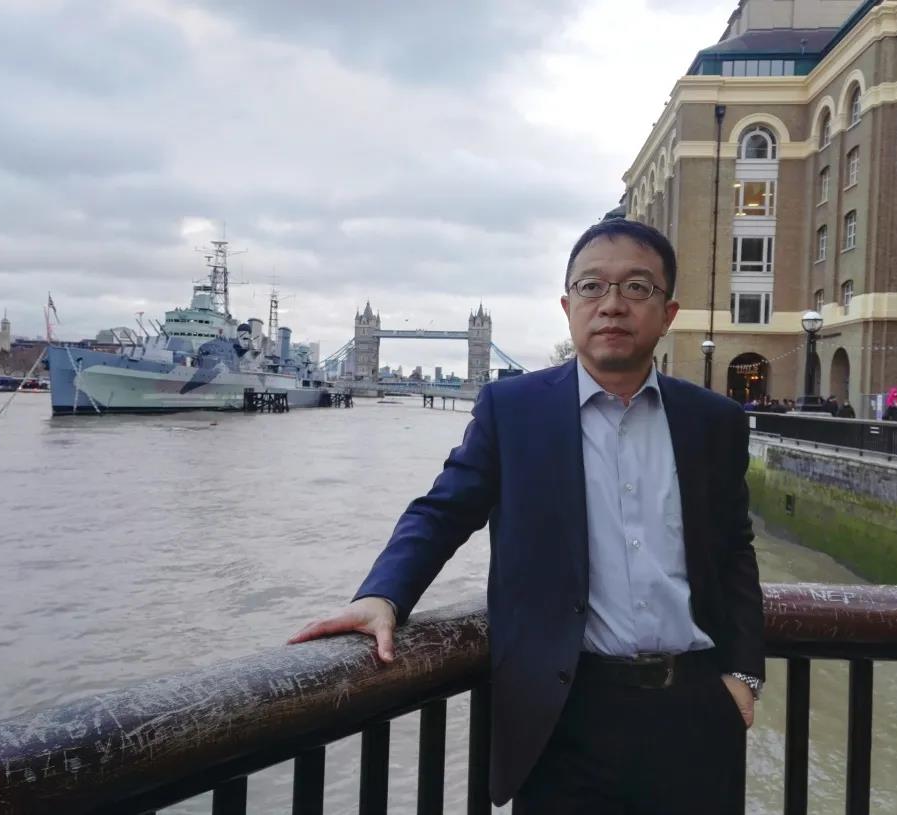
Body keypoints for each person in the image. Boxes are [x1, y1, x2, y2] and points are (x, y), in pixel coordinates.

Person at [289, 218, 764, 813]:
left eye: (637, 287)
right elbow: (443, 511)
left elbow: (734, 549)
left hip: (695, 713)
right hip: (561, 719)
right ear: (568, 308)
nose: (612, 304)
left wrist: (744, 673)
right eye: (591, 287)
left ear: (667, 313)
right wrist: (382, 595)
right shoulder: (512, 409)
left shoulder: (714, 421)